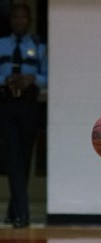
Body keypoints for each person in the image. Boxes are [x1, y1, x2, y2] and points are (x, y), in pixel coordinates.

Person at [0, 4, 47, 228]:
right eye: (15, 17)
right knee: (12, 158)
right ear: (11, 21)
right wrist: (7, 79)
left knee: (25, 158)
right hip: (7, 102)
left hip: (29, 104)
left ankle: (13, 210)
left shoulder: (38, 46)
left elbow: (47, 75)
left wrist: (31, 80)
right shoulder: (1, 44)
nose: (19, 21)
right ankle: (23, 214)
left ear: (28, 21)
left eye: (23, 18)